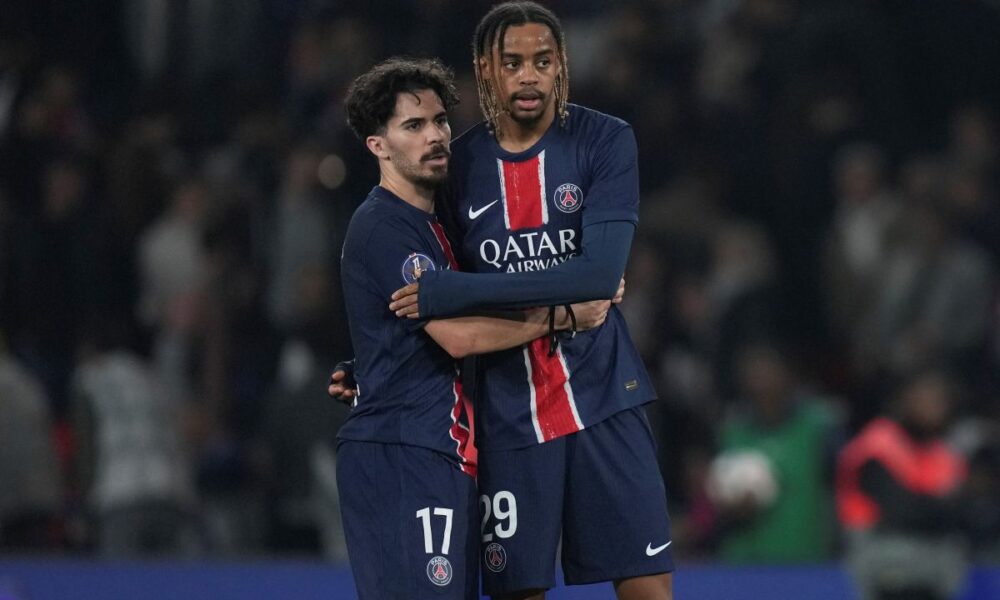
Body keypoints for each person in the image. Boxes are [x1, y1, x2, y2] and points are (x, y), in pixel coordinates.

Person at [379, 3, 675, 598]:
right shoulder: (455, 167)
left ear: (561, 64)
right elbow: (415, 301)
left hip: (604, 396)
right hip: (508, 411)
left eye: (542, 62)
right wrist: (369, 363)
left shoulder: (605, 141)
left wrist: (455, 288)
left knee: (647, 586)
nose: (528, 77)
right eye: (511, 63)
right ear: (485, 70)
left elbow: (599, 275)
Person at [336, 57, 612, 600]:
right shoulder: (383, 226)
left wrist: (359, 366)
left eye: (440, 121)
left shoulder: (437, 224)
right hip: (401, 451)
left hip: (442, 451)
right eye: (413, 126)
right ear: (378, 146)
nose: (437, 136)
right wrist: (564, 315)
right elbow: (457, 336)